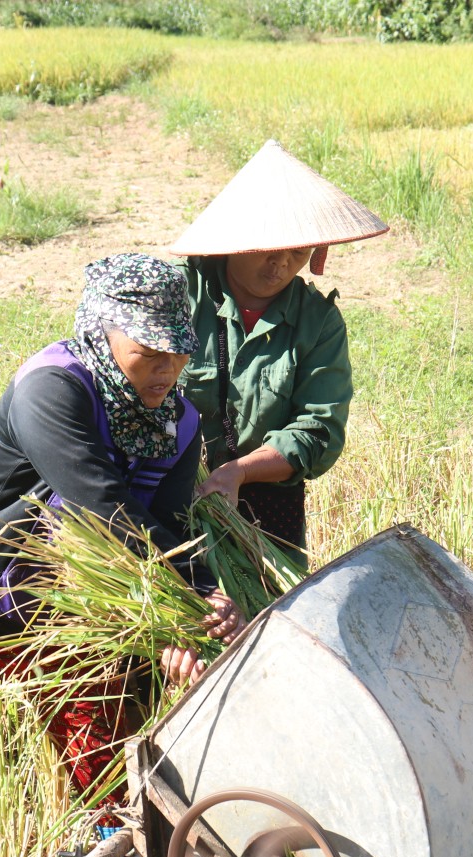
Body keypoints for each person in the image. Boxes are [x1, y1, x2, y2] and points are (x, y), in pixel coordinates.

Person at [0, 253, 244, 857]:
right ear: (103, 329)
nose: (167, 369)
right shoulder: (51, 388)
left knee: (103, 769)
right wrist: (178, 602)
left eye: (178, 353)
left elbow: (167, 525)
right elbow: (102, 505)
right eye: (149, 350)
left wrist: (198, 603)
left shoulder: (180, 421)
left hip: (75, 618)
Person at [169, 140, 388, 558]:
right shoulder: (183, 294)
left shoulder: (318, 324)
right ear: (237, 239)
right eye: (269, 249)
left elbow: (317, 431)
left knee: (270, 615)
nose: (281, 265)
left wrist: (240, 472)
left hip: (268, 503)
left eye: (297, 252)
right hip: (171, 491)